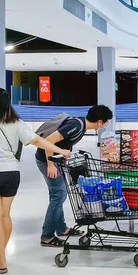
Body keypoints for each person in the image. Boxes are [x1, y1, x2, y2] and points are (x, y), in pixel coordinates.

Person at [0, 88, 71, 274]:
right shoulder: (16, 122)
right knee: (5, 216)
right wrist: (61, 151)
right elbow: (37, 140)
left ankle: (1, 262)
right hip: (11, 174)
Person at [36, 104, 113, 247]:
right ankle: (47, 236)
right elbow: (49, 141)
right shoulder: (76, 125)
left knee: (58, 194)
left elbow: (63, 142)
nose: (106, 124)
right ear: (100, 121)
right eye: (106, 121)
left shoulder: (81, 126)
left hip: (56, 161)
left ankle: (61, 229)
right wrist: (50, 164)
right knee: (58, 195)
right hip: (47, 160)